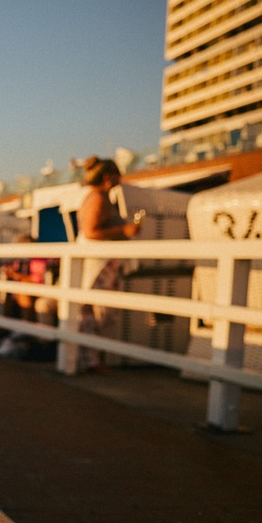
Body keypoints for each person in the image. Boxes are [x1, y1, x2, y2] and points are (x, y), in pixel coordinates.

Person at [74, 156, 144, 372]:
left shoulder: (93, 197)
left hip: (100, 263)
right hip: (99, 264)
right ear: (107, 177)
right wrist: (124, 230)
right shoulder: (98, 199)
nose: (120, 180)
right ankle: (90, 362)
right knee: (96, 313)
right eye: (117, 175)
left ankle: (88, 359)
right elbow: (91, 232)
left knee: (93, 312)